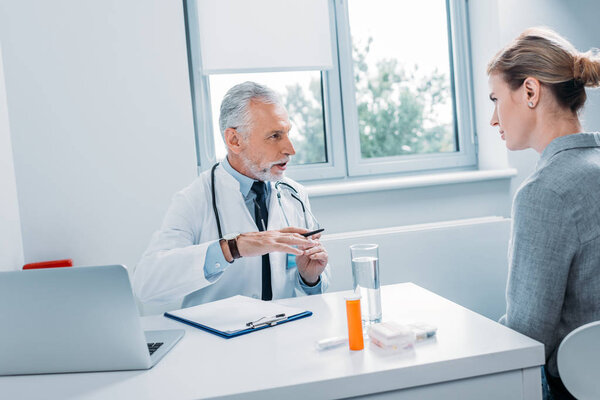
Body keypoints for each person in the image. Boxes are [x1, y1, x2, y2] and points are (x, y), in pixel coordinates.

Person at [133, 82, 330, 308]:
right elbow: (146, 284)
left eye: (287, 133)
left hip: (284, 331)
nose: (290, 149)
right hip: (218, 338)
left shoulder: (294, 195)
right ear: (234, 140)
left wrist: (310, 278)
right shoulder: (194, 199)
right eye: (275, 136)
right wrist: (231, 248)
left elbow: (317, 288)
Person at [487, 27, 600, 399]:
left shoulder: (544, 192)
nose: (493, 119)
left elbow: (528, 334)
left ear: (531, 92)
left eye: (496, 99)